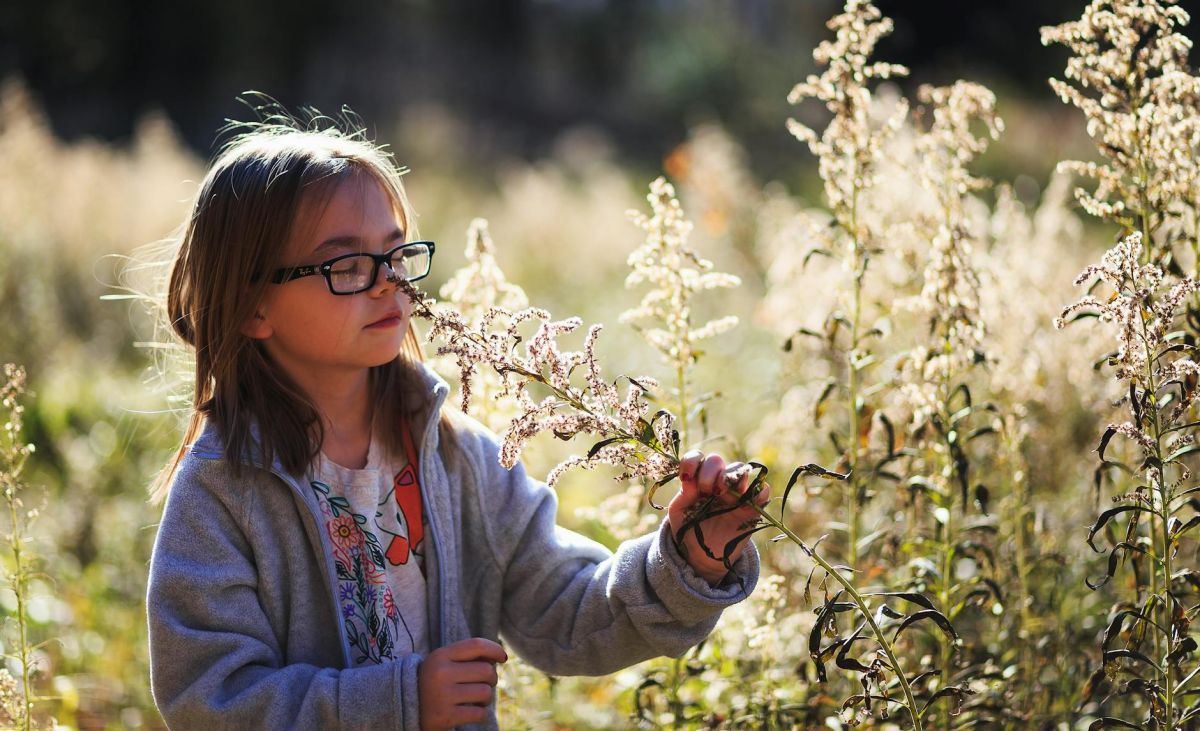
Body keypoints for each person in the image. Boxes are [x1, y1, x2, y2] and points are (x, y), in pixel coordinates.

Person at [146, 108, 766, 730]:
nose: (388, 283)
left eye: (395, 254)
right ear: (253, 306)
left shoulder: (457, 456)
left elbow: (568, 611)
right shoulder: (220, 493)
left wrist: (688, 559)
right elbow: (209, 703)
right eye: (347, 266)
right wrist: (401, 702)